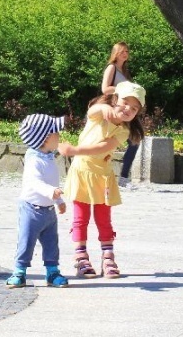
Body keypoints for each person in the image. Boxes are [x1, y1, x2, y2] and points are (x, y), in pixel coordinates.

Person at [58, 80, 145, 279]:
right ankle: (81, 258)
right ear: (115, 99)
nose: (127, 109)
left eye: (134, 108)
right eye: (124, 103)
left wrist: (74, 150)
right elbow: (92, 112)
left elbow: (103, 148)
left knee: (104, 219)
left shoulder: (123, 130)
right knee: (80, 218)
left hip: (102, 176)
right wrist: (104, 107)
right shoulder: (100, 113)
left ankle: (108, 257)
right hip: (82, 172)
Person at [5, 114, 70, 289]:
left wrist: (58, 201)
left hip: (48, 210)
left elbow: (52, 183)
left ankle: (52, 271)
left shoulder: (48, 157)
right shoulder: (34, 159)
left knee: (51, 243)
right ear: (45, 138)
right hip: (31, 209)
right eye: (56, 132)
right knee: (26, 241)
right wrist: (52, 192)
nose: (59, 136)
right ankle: (19, 272)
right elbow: (35, 183)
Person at [100, 42, 140, 187]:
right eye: (122, 51)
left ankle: (123, 178)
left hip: (124, 110)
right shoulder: (111, 68)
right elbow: (104, 89)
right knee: (107, 142)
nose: (125, 54)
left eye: (127, 51)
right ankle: (109, 177)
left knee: (135, 140)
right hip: (113, 109)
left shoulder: (124, 70)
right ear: (116, 53)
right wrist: (123, 87)